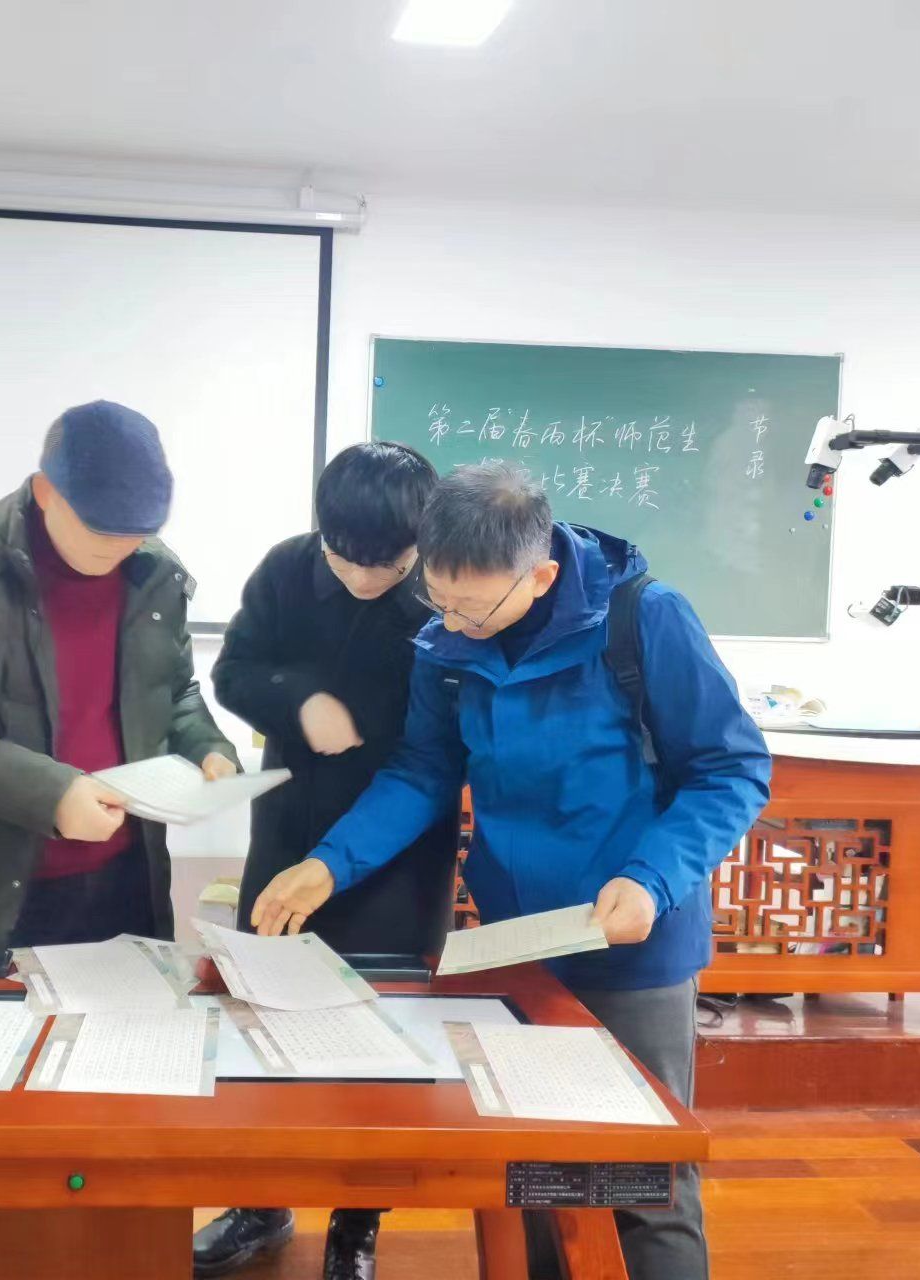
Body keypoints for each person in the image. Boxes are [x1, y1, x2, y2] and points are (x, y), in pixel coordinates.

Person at [252, 462, 771, 1280]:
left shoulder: (644, 618)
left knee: (646, 1186)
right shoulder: (449, 641)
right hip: (518, 947)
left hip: (631, 941)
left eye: (472, 606)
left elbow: (730, 770)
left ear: (541, 576)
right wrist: (330, 863)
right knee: (531, 1172)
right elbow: (425, 769)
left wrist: (652, 878)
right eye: (438, 599)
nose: (452, 622)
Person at [0, 399, 240, 1280]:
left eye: (137, 535)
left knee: (114, 1125)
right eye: (101, 533)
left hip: (116, 890)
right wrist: (54, 794)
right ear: (46, 493)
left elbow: (174, 691)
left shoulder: (154, 573)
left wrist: (208, 747)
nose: (120, 551)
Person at [193, 442, 455, 1280]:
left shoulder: (444, 595)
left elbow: (438, 752)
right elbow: (233, 672)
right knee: (263, 1016)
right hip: (288, 832)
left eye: (389, 565)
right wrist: (298, 701)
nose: (366, 579)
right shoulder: (285, 570)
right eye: (348, 560)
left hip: (399, 849)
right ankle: (261, 1203)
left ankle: (356, 1225)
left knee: (378, 1039)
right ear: (324, 533)